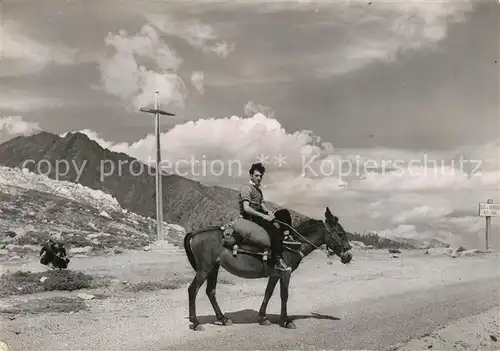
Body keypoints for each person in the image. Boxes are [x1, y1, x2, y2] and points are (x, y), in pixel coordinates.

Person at [239, 162, 291, 272]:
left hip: (261, 215)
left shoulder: (259, 191)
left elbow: (263, 206)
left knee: (284, 213)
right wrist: (264, 217)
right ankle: (277, 260)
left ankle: (287, 237)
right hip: (251, 217)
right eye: (256, 175)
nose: (259, 178)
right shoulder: (246, 188)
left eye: (260, 176)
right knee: (273, 230)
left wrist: (270, 213)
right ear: (251, 176)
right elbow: (246, 208)